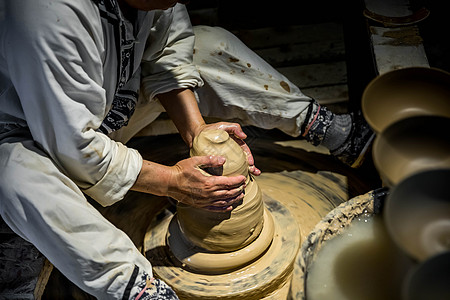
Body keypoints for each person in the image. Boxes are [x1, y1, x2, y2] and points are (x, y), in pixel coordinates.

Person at [0, 0, 374, 299]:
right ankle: (140, 289)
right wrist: (173, 182)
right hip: (25, 134)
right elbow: (73, 147)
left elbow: (167, 57)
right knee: (16, 177)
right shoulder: (47, 13)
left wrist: (199, 133)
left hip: (101, 112)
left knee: (209, 44)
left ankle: (329, 131)